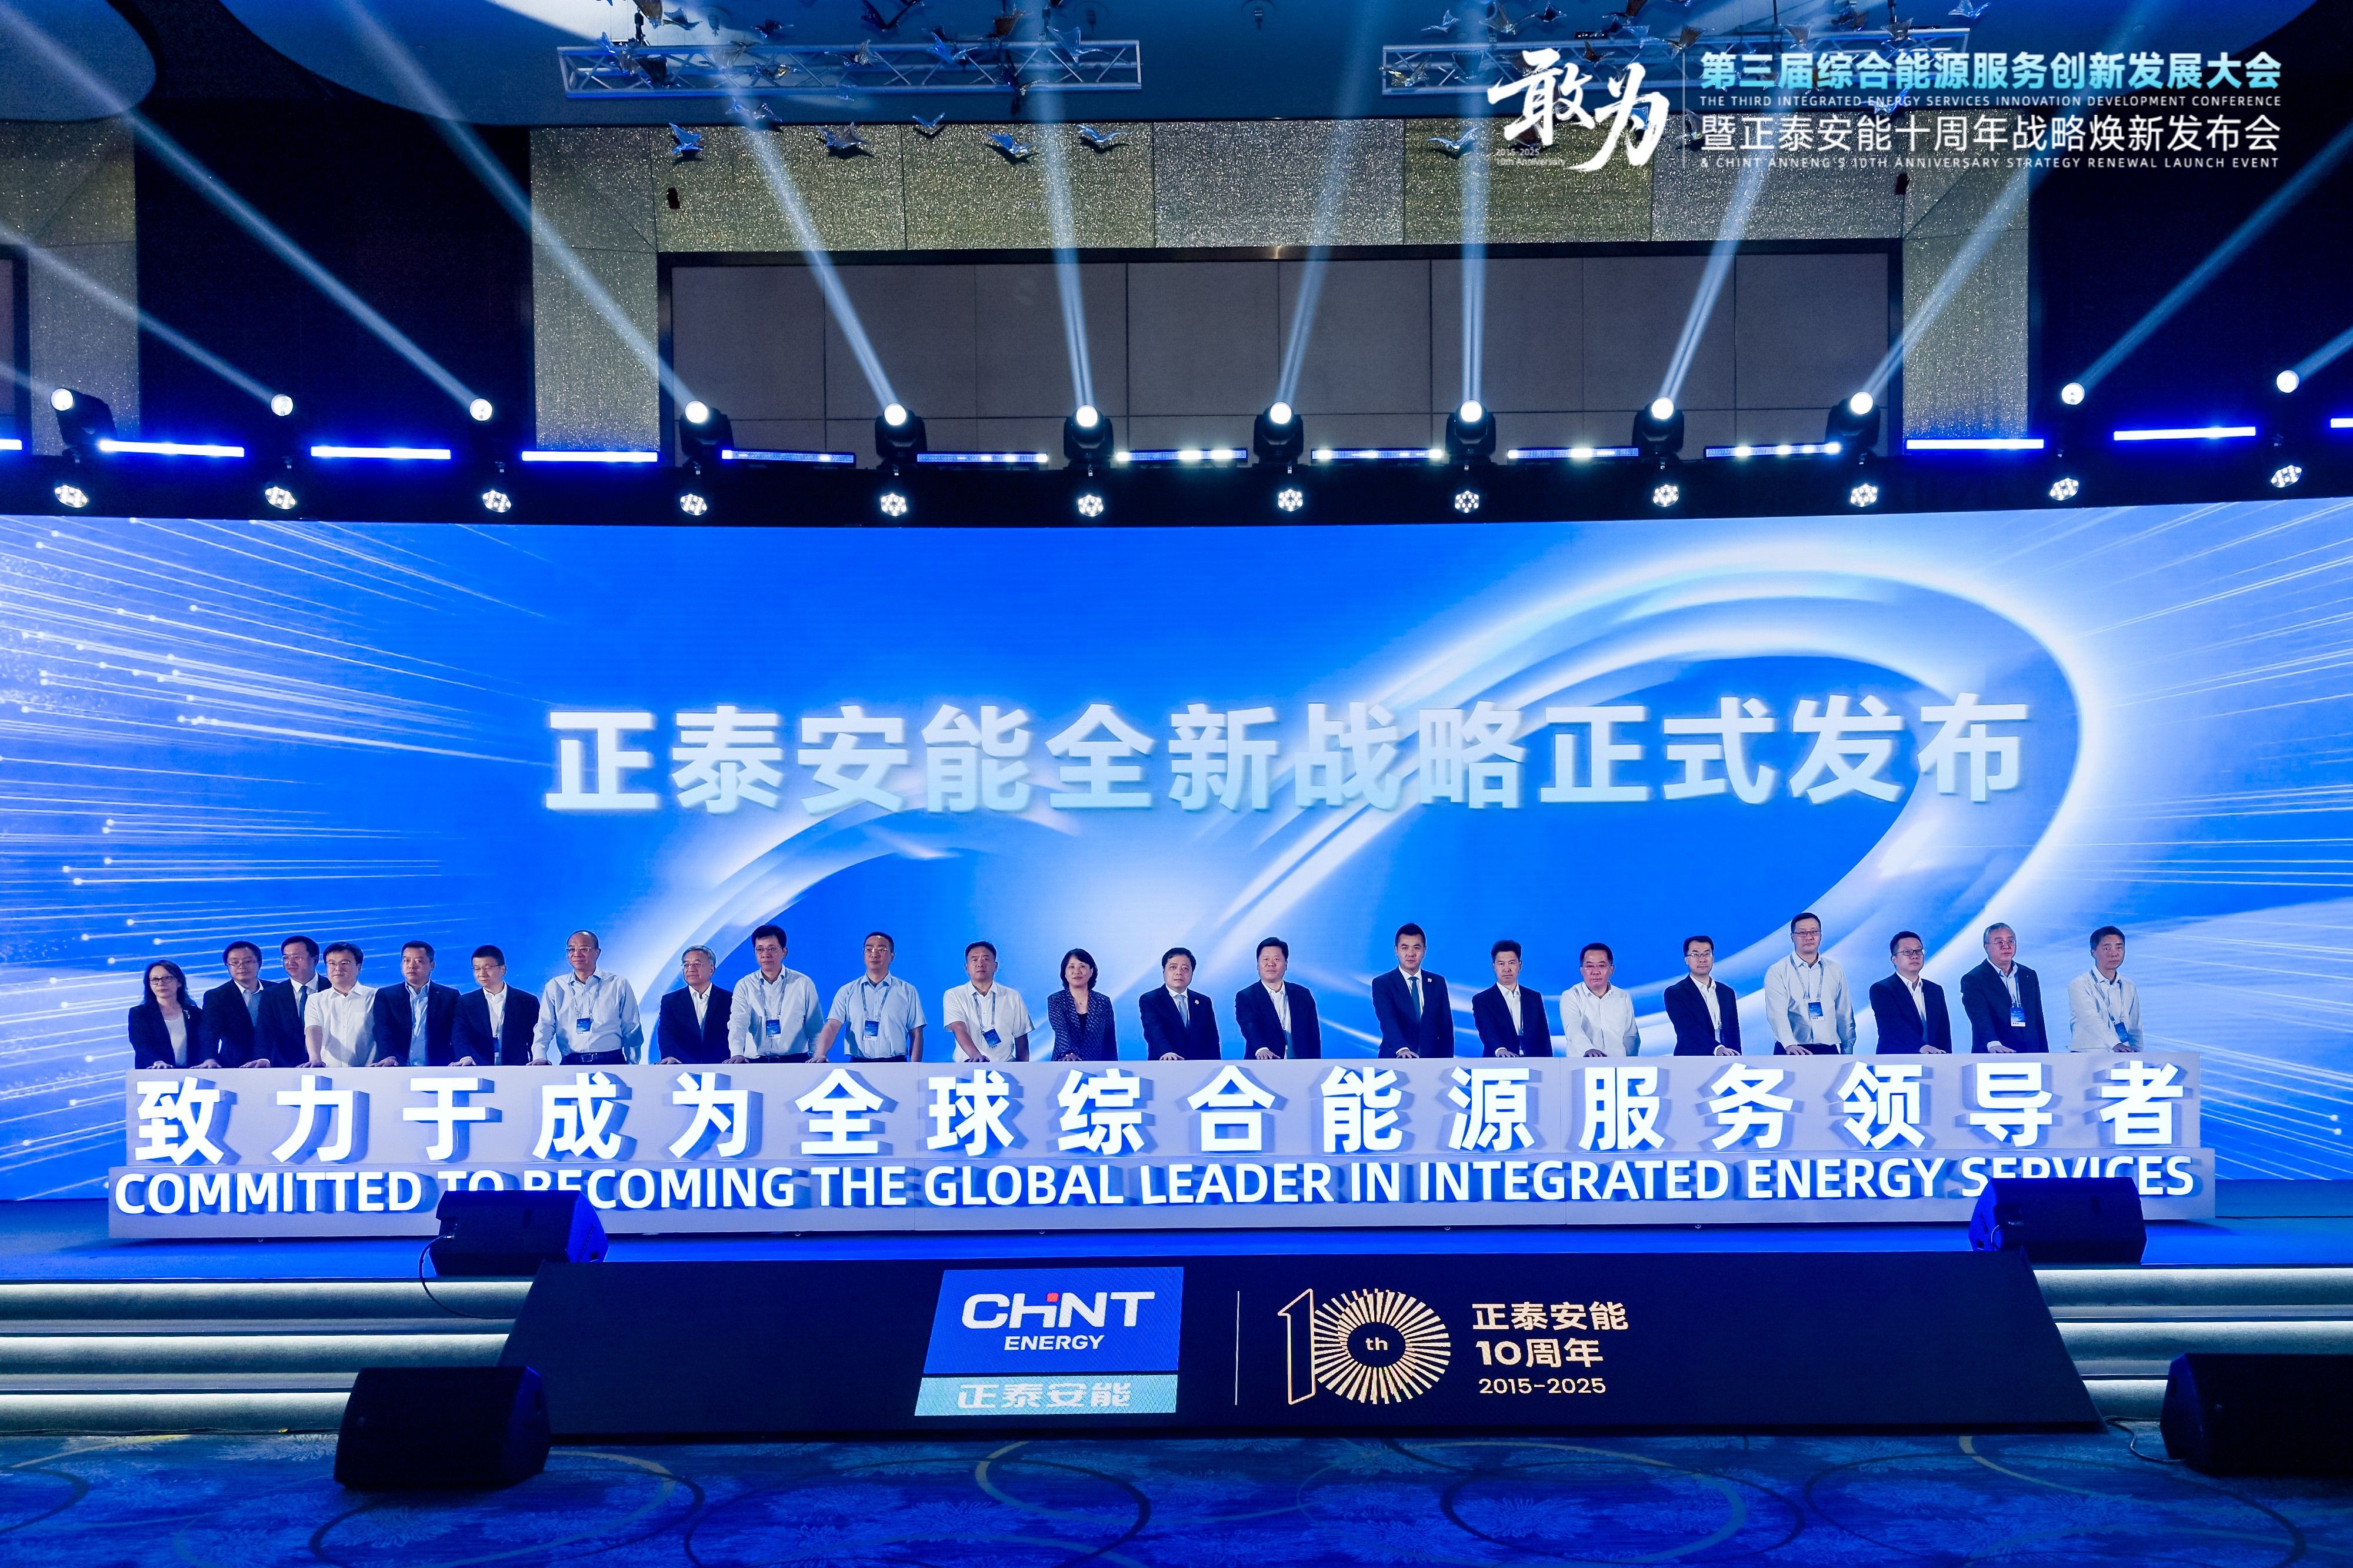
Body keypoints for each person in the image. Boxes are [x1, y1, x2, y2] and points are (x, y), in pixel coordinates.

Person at [531, 930, 644, 1066]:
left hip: (612, 1062)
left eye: (584, 949)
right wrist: (539, 1057)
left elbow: (631, 1027)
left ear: (597, 952)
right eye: (571, 949)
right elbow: (545, 1025)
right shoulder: (556, 986)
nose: (577, 954)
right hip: (571, 1063)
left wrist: (633, 1064)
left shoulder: (618, 984)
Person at [817, 931, 925, 1062]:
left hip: (896, 1063)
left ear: (892, 956)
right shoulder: (847, 991)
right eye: (869, 949)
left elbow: (916, 1032)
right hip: (858, 1064)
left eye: (882, 950)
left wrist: (915, 1067)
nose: (874, 954)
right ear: (863, 954)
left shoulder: (907, 991)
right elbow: (832, 1025)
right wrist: (821, 1053)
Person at [1762, 911, 1854, 1055]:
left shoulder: (1835, 969)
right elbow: (1777, 1014)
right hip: (1791, 1049)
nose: (1809, 937)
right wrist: (1789, 1044)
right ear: (1792, 937)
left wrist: (1847, 1048)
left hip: (1828, 1049)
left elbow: (1844, 1012)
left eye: (1814, 932)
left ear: (1821, 935)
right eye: (1802, 933)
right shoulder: (1778, 971)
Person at [728, 924, 820, 1062]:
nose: (765, 954)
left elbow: (815, 1026)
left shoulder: (803, 983)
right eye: (760, 949)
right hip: (755, 1062)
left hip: (795, 1061)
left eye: (772, 948)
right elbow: (738, 1022)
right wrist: (737, 1053)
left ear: (784, 952)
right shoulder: (744, 985)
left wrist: (817, 1056)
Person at [1962, 922, 2047, 1053]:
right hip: (1995, 1052)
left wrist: (2044, 1052)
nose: (2006, 946)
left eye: (2011, 941)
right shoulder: (1974, 979)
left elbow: (2038, 1018)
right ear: (1986, 947)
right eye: (1999, 942)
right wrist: (1993, 1043)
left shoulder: (2029, 975)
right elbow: (1980, 1017)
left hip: (2031, 1051)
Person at [372, 941, 460, 1066]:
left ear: (432, 965)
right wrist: (388, 1056)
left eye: (419, 961)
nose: (411, 966)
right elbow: (382, 1029)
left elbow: (457, 1032)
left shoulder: (450, 996)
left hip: (439, 1067)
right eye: (406, 961)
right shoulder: (386, 995)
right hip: (397, 1066)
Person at [1372, 923, 1454, 1058]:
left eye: (1417, 948)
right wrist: (1402, 1049)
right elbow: (1388, 1020)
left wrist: (1448, 1061)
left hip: (1432, 1061)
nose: (1411, 954)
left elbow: (1446, 1027)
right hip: (1396, 1058)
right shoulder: (1383, 983)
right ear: (1396, 950)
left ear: (1424, 950)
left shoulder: (1437, 982)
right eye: (1405, 948)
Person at [943, 940, 1033, 1062]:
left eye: (986, 959)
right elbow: (958, 1028)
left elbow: (1021, 1038)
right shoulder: (954, 995)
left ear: (995, 966)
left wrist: (1022, 1069)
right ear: (966, 968)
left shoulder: (1012, 996)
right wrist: (976, 1057)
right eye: (974, 960)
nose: (980, 964)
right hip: (968, 1066)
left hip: (1005, 1067)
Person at [1235, 937, 1321, 1059]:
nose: (1271, 964)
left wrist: (1315, 1064)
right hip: (1263, 1064)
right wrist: (1262, 1049)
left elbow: (1313, 1036)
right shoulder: (1246, 996)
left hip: (1301, 1065)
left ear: (1286, 965)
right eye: (1266, 959)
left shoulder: (1303, 995)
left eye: (1276, 959)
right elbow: (1249, 1025)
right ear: (1258, 965)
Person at [452, 945, 538, 1066]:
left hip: (517, 1068)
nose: (482, 973)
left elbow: (535, 1036)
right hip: (478, 1067)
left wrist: (537, 1061)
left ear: (503, 970)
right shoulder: (466, 1002)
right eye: (477, 969)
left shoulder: (527, 1001)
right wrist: (465, 1057)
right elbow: (459, 1035)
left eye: (488, 968)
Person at [1869, 930, 1952, 1054]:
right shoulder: (1881, 989)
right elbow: (1892, 1025)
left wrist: (1947, 1058)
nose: (1915, 956)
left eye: (1919, 951)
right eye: (1907, 952)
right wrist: (1921, 1047)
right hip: (1895, 1059)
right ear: (1894, 959)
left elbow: (1943, 1031)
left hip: (1934, 1059)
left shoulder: (1935, 990)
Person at [253, 935, 325, 1067]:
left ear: (315, 959)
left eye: (297, 957)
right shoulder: (272, 994)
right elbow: (265, 1031)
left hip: (330, 1064)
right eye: (286, 957)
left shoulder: (332, 988)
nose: (290, 962)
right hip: (286, 1067)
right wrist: (264, 1058)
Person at [1662, 935, 1741, 1056]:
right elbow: (1687, 1028)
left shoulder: (1727, 992)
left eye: (1706, 954)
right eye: (1695, 955)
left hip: (1727, 1056)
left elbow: (1734, 1031)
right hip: (1692, 1058)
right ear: (1686, 960)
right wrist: (1717, 1048)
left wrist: (1737, 1057)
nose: (1702, 959)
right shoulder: (1675, 993)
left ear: (1713, 958)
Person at [1139, 946, 1221, 1060]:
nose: (1179, 973)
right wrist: (1166, 1052)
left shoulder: (1204, 1002)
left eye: (1185, 969)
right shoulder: (1151, 1000)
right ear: (1164, 970)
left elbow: (1212, 1039)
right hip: (1164, 1064)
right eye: (1173, 967)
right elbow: (1153, 1031)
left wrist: (1216, 1064)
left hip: (1200, 1067)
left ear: (1192, 973)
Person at [1472, 939, 1551, 1057]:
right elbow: (1487, 1031)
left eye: (1512, 963)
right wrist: (1500, 1050)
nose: (1507, 969)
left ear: (1520, 965)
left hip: (1533, 1062)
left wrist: (1549, 1062)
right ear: (1494, 966)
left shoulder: (1534, 998)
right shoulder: (1482, 1000)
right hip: (1498, 1062)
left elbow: (1544, 1036)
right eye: (1501, 964)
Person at [304, 942, 378, 1067]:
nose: (338, 968)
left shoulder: (375, 997)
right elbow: (313, 1030)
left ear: (359, 967)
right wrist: (315, 1058)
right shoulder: (315, 1000)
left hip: (370, 1071)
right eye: (332, 963)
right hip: (328, 1071)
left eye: (345, 963)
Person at [2068, 925, 2140, 1053]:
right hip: (2087, 1055)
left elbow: (2135, 1028)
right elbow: (2090, 1019)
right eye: (2107, 948)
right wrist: (2115, 1044)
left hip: (2123, 1055)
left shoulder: (2129, 986)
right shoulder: (2080, 984)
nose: (2114, 953)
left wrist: (2139, 1054)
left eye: (2119, 947)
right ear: (2093, 952)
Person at [1561, 942, 1641, 1057]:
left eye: (1602, 966)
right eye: (1589, 966)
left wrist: (1629, 1063)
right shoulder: (1571, 996)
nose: (1596, 972)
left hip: (1617, 1064)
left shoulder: (1623, 997)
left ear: (1612, 970)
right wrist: (1589, 1049)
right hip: (1582, 1064)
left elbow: (1631, 1037)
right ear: (1581, 970)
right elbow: (1572, 1028)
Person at [200, 940, 271, 1068]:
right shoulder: (217, 996)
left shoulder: (276, 991)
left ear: (259, 963)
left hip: (275, 1062)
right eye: (235, 962)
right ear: (227, 966)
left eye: (248, 961)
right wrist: (210, 1058)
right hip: (235, 1065)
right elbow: (210, 1032)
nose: (241, 966)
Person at [657, 945, 733, 1065]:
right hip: (681, 1066)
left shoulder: (729, 999)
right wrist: (669, 1056)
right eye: (686, 964)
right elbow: (666, 1033)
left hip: (722, 1066)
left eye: (697, 964)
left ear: (711, 969)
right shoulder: (670, 1001)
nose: (691, 969)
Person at [128, 959, 210, 1069]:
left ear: (179, 982)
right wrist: (156, 1062)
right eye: (155, 979)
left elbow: (204, 1044)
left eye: (167, 978)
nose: (161, 983)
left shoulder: (196, 1014)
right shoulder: (139, 1014)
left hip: (191, 1074)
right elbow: (141, 1045)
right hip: (154, 1074)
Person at [1045, 948, 1118, 1061]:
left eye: (1082, 966)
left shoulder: (1103, 1002)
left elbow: (1109, 1039)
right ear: (1065, 973)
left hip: (1096, 1064)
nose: (1077, 971)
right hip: (1064, 1062)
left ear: (1091, 972)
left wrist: (1113, 1065)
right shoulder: (1056, 1000)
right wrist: (1069, 1053)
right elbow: (1061, 1031)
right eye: (1071, 967)